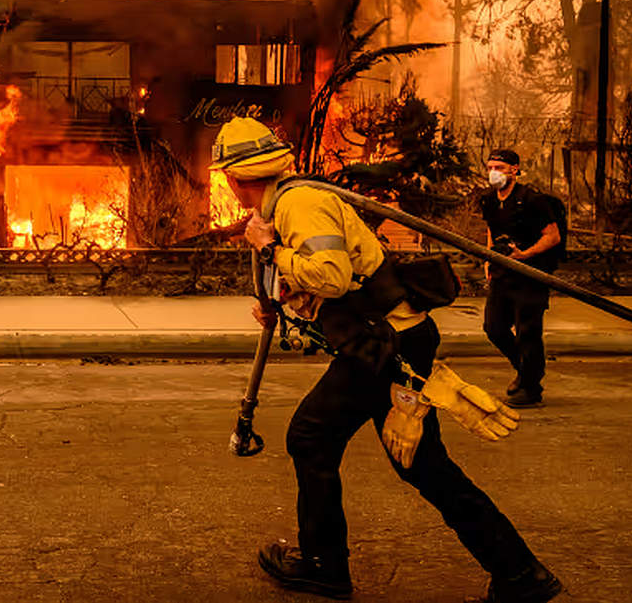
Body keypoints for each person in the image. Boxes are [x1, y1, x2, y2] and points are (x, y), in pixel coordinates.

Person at [211, 117, 562, 603]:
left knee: (311, 436)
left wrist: (269, 248)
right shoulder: (292, 201)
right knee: (421, 465)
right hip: (393, 339)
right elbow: (334, 277)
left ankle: (323, 565)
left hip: (386, 346)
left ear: (234, 178)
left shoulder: (299, 204)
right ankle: (520, 573)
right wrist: (283, 295)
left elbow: (330, 276)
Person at [478, 149, 561, 407]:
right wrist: (488, 260)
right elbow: (492, 232)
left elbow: (552, 236)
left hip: (530, 275)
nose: (494, 172)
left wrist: (524, 255)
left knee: (528, 332)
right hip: (502, 274)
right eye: (491, 167)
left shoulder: (533, 200)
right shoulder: (489, 200)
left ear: (514, 169)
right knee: (494, 328)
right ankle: (526, 373)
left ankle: (530, 387)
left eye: (500, 168)